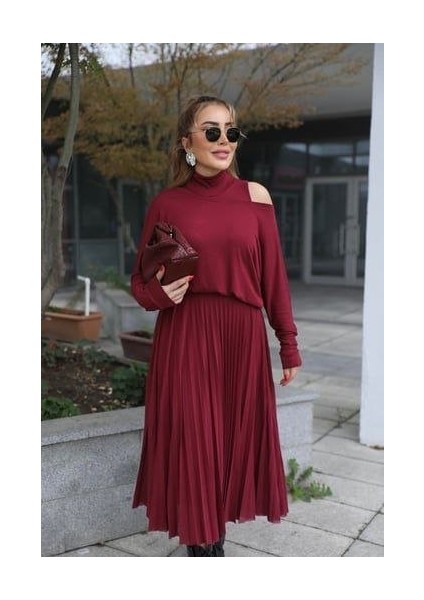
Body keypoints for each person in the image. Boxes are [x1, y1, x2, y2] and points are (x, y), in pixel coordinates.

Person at [131, 95, 302, 557]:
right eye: (211, 131)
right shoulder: (167, 204)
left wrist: (288, 343)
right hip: (186, 335)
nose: (224, 140)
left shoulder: (256, 197)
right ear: (187, 142)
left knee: (229, 446)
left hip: (242, 339)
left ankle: (213, 543)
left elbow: (274, 279)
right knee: (195, 445)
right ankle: (205, 551)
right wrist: (160, 295)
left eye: (231, 131)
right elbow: (140, 282)